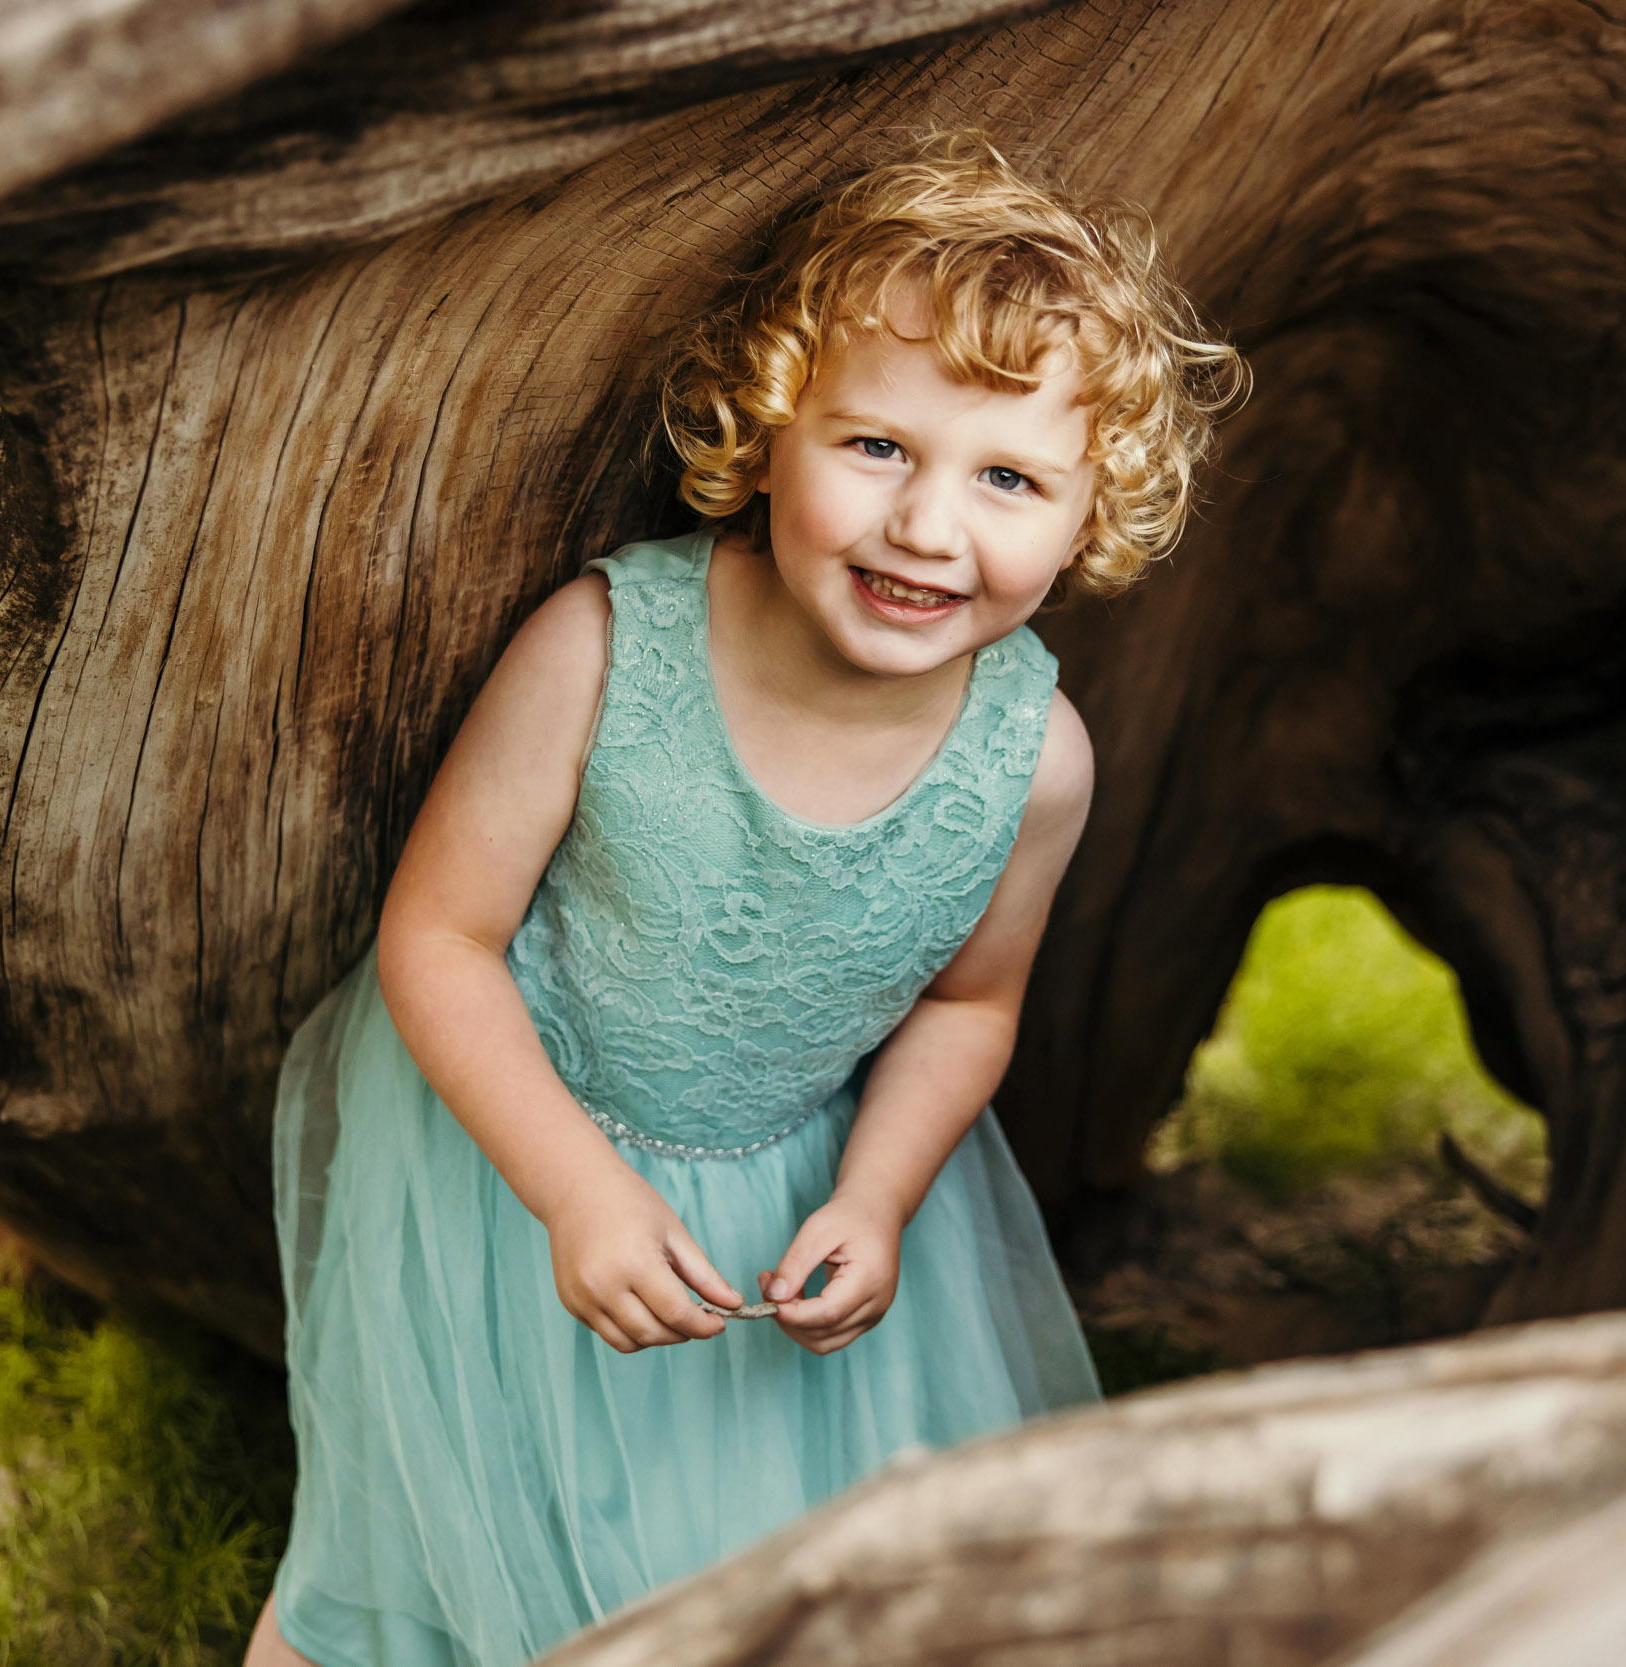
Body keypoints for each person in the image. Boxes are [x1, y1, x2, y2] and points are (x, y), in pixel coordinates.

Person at [247, 131, 1245, 1667]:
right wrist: (576, 1192)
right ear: (770, 428)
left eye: (1008, 478)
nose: (928, 526)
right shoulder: (603, 648)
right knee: (438, 1551)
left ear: (1090, 509)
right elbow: (437, 940)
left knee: (758, 1573)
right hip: (518, 1163)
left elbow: (970, 1006)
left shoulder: (1033, 764)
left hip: (791, 1196)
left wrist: (877, 1197)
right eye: (875, 449)